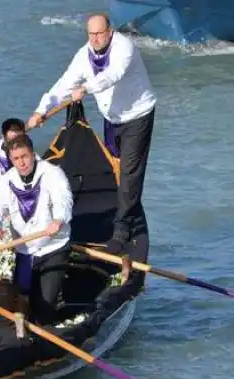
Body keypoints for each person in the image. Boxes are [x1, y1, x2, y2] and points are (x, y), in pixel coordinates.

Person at [27, 13, 156, 256]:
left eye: (99, 33)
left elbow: (112, 75)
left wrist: (86, 88)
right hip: (112, 119)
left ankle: (121, 230)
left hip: (138, 115)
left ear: (110, 32)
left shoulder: (124, 47)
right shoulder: (83, 56)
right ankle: (126, 208)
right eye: (91, 34)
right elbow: (63, 84)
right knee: (115, 168)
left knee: (129, 171)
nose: (95, 39)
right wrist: (40, 110)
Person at [0, 134, 73, 324]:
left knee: (45, 301)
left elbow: (64, 200)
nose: (21, 163)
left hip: (53, 246)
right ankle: (26, 337)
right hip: (25, 250)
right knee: (22, 296)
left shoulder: (52, 173)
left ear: (32, 153)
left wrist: (59, 219)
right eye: (16, 159)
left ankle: (47, 337)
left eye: (25, 156)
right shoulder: (6, 181)